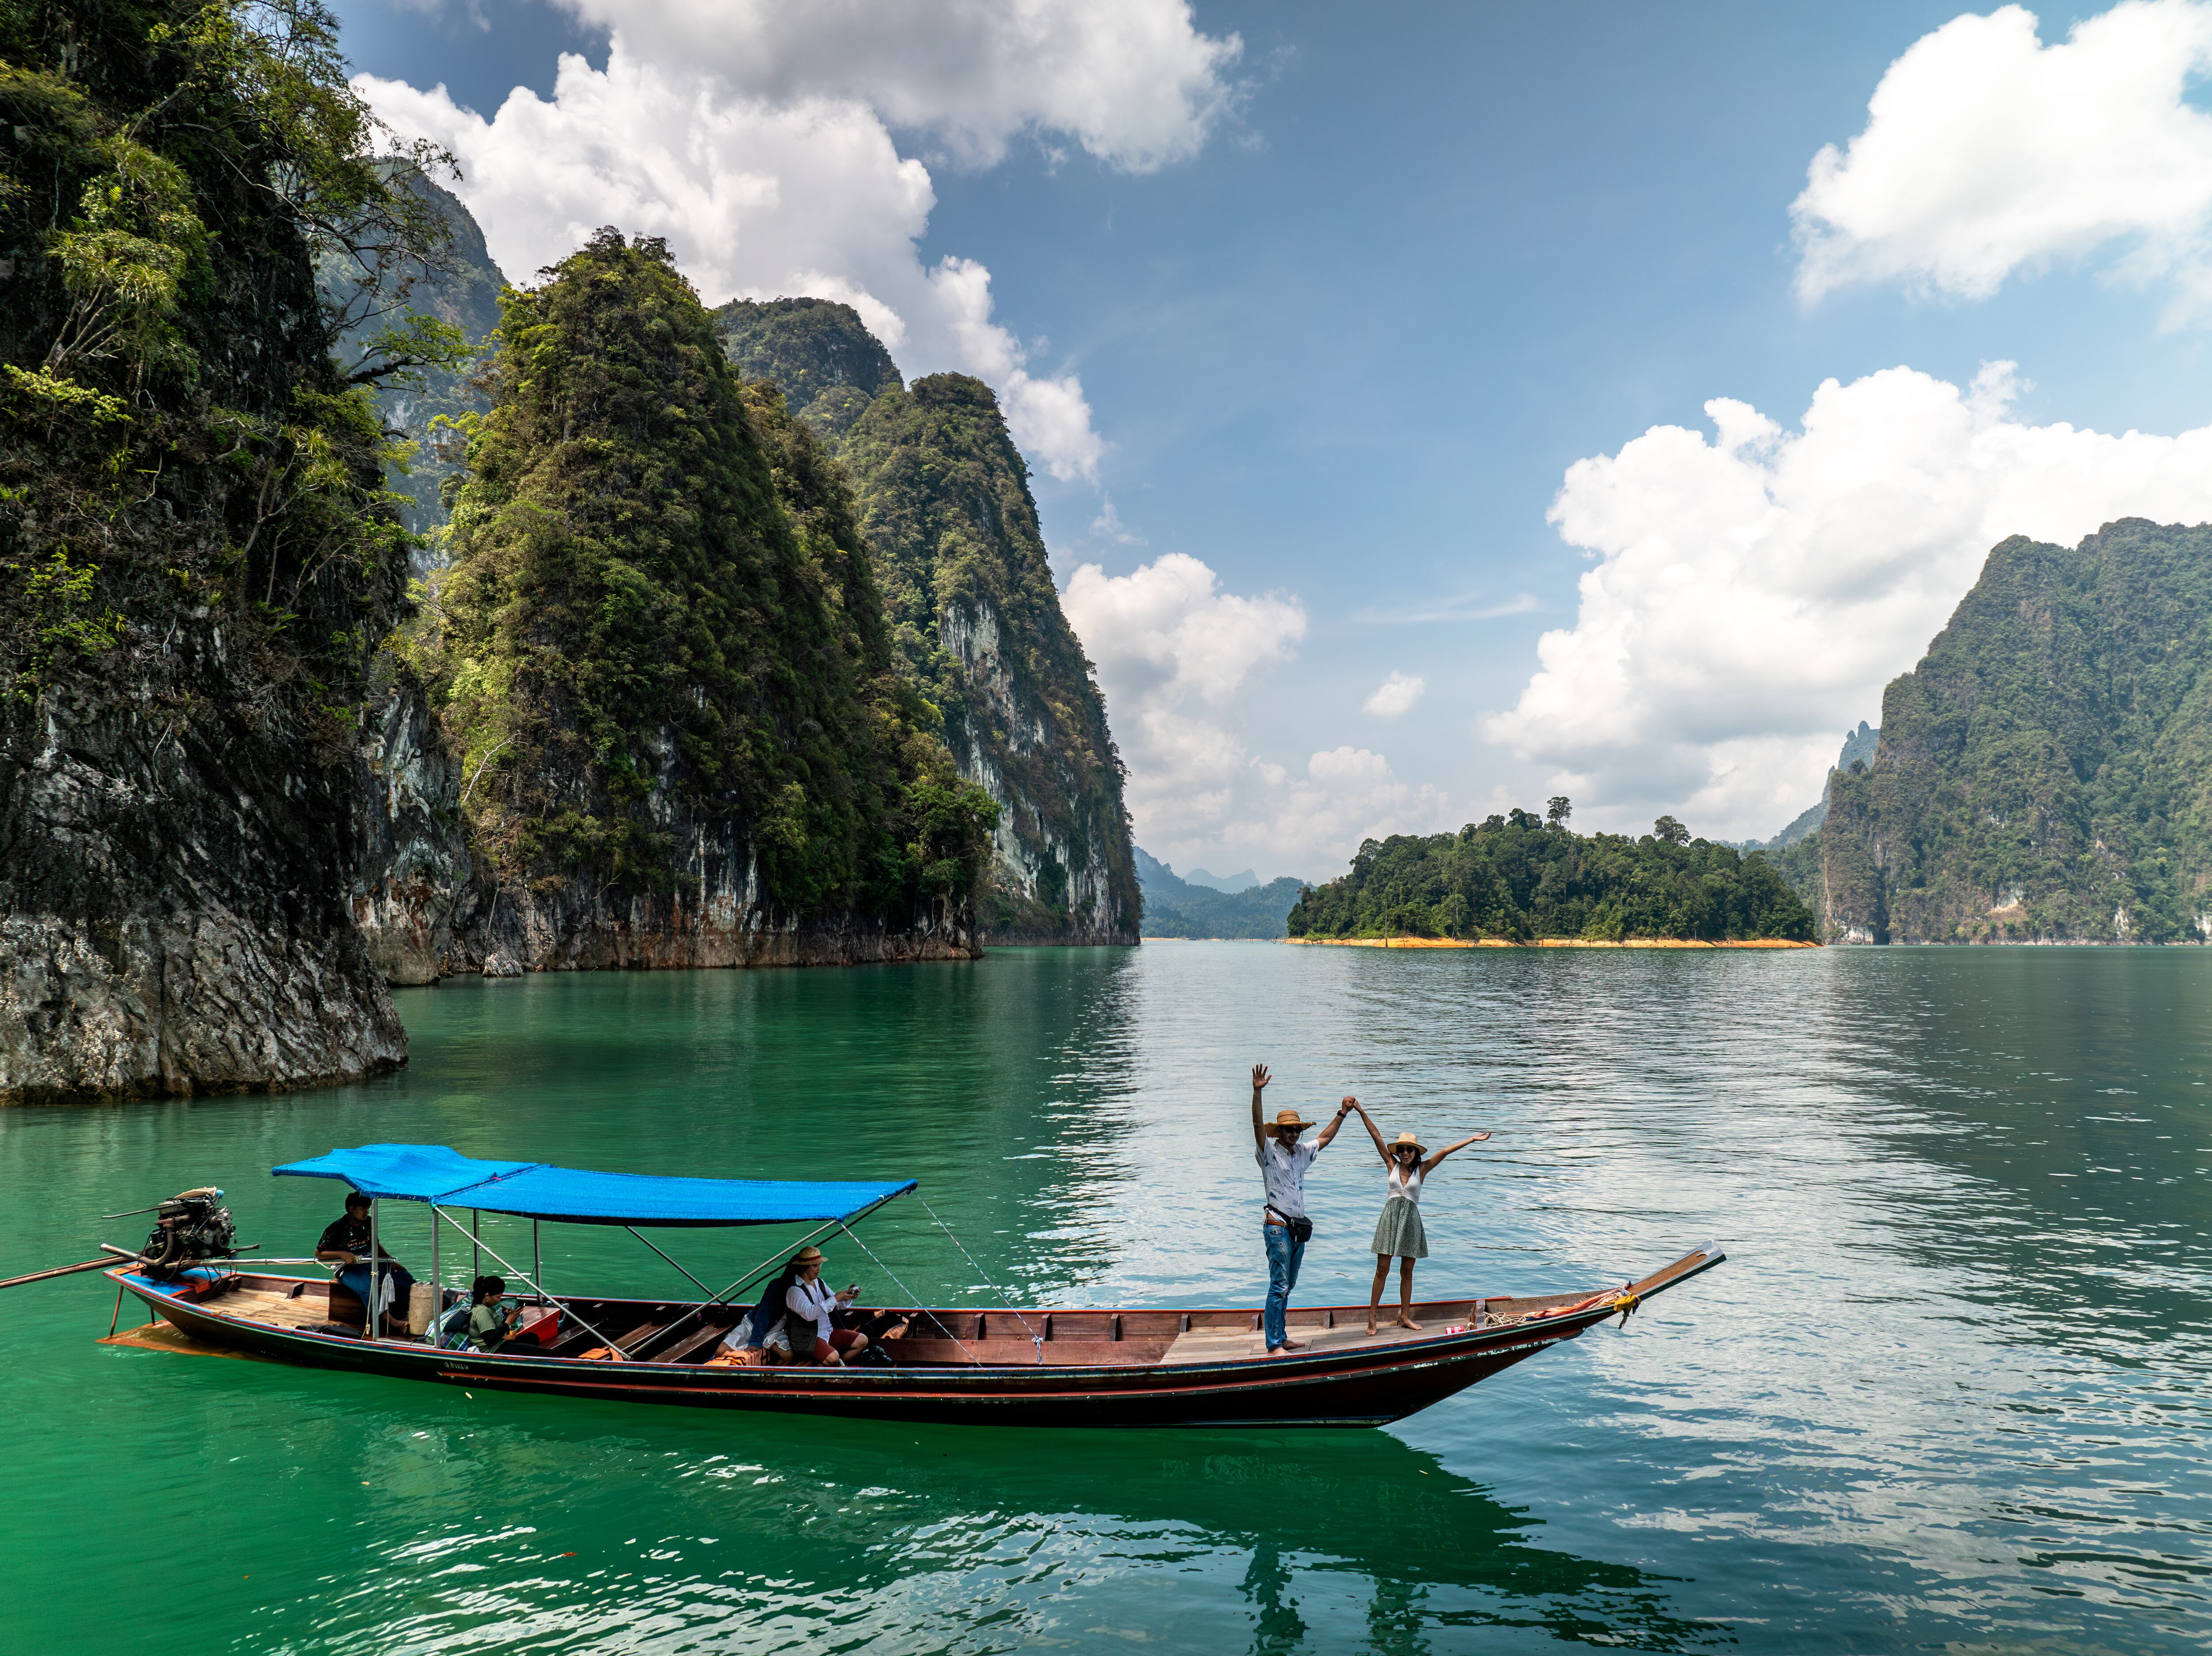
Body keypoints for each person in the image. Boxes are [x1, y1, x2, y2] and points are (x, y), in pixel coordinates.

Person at [1349, 1108, 1490, 1334]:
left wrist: (1472, 1139)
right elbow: (1376, 1135)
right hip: (1390, 1219)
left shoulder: (1422, 1170)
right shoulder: (1391, 1164)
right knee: (1382, 1270)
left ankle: (1405, 1317)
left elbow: (1444, 1152)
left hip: (1411, 1222)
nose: (1405, 1153)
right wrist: (1360, 1110)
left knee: (1407, 1272)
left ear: (1416, 1152)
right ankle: (1372, 1318)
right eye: (1402, 1149)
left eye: (1410, 1150)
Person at [1249, 1062, 1356, 1355]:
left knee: (1288, 1285)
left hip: (1296, 1229)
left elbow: (1325, 1138)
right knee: (1278, 1285)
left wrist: (1342, 1113)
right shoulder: (1269, 1153)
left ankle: (1281, 1336)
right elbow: (1258, 1126)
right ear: (1279, 1132)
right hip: (1277, 1226)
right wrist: (1257, 1093)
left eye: (1297, 1129)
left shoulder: (1301, 1154)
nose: (1294, 1133)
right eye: (1289, 1130)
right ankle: (1273, 1345)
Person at [315, 1190, 416, 1332]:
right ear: (352, 1209)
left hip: (370, 1260)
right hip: (347, 1267)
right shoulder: (336, 1228)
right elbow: (319, 1253)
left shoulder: (368, 1222)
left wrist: (389, 1259)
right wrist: (342, 1254)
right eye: (363, 1209)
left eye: (367, 1209)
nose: (366, 1212)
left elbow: (375, 1243)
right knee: (367, 1288)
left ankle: (419, 1310)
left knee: (401, 1275)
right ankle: (393, 1322)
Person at [781, 1245, 873, 1365]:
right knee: (834, 1357)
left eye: (820, 1265)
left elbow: (836, 1305)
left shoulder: (820, 1282)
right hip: (808, 1338)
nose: (819, 1269)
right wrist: (836, 1298)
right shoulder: (795, 1291)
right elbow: (810, 1314)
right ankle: (833, 1365)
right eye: (815, 1266)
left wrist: (847, 1296)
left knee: (862, 1341)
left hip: (828, 1332)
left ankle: (837, 1366)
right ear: (804, 1268)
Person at [465, 1275, 522, 1353]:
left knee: (532, 1337)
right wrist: (508, 1322)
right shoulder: (482, 1312)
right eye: (498, 1297)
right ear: (487, 1296)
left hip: (501, 1343)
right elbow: (491, 1340)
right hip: (494, 1350)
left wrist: (508, 1316)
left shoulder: (485, 1307)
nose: (500, 1300)